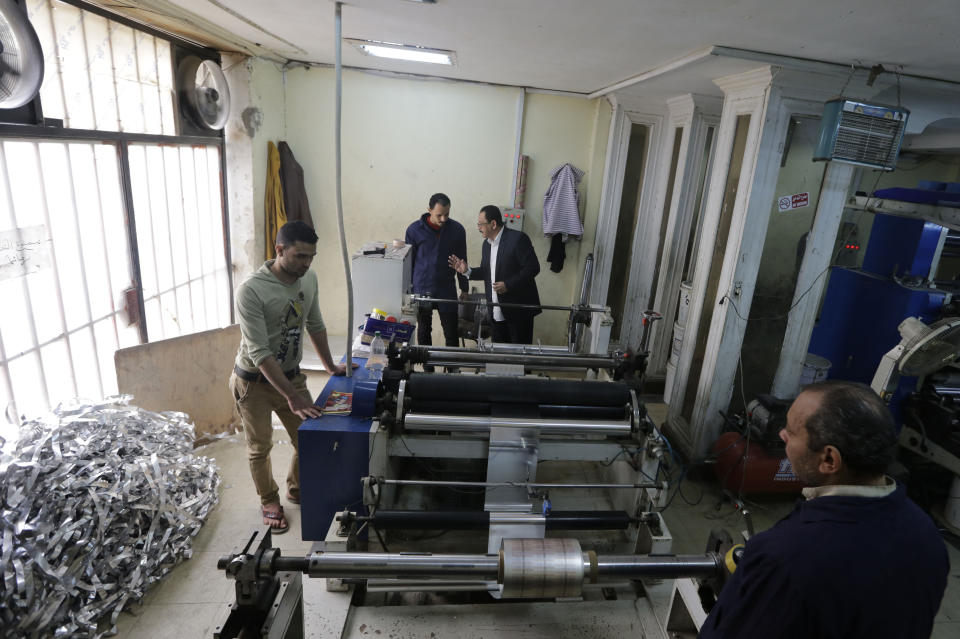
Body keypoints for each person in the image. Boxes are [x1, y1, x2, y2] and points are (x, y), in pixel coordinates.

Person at [700, 380, 949, 639]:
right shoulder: (928, 537)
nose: (782, 435)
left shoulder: (783, 561)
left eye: (793, 432)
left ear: (829, 460)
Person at [230, 220, 348, 534]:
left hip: (291, 377)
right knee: (260, 447)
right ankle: (269, 501)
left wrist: (329, 366)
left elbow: (316, 323)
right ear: (279, 249)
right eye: (299, 256)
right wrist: (291, 397)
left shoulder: (308, 279)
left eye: (311, 257)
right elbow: (260, 353)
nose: (306, 264)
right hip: (253, 382)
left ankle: (296, 489)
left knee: (308, 438)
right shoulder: (251, 290)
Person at [448, 205, 541, 344]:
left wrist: (508, 285)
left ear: (493, 224)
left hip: (518, 311)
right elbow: (487, 272)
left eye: (481, 224)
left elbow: (533, 268)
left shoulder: (517, 239)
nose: (478, 227)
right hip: (496, 310)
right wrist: (467, 271)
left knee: (519, 357)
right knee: (498, 355)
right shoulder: (486, 245)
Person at [404, 193, 468, 355]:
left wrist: (464, 288)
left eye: (447, 214)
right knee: (424, 330)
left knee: (451, 332)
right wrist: (407, 290)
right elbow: (409, 263)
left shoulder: (457, 230)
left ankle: (452, 371)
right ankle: (428, 371)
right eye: (439, 215)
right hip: (421, 288)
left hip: (446, 289)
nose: (443, 219)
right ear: (429, 210)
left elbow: (462, 262)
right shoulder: (414, 230)